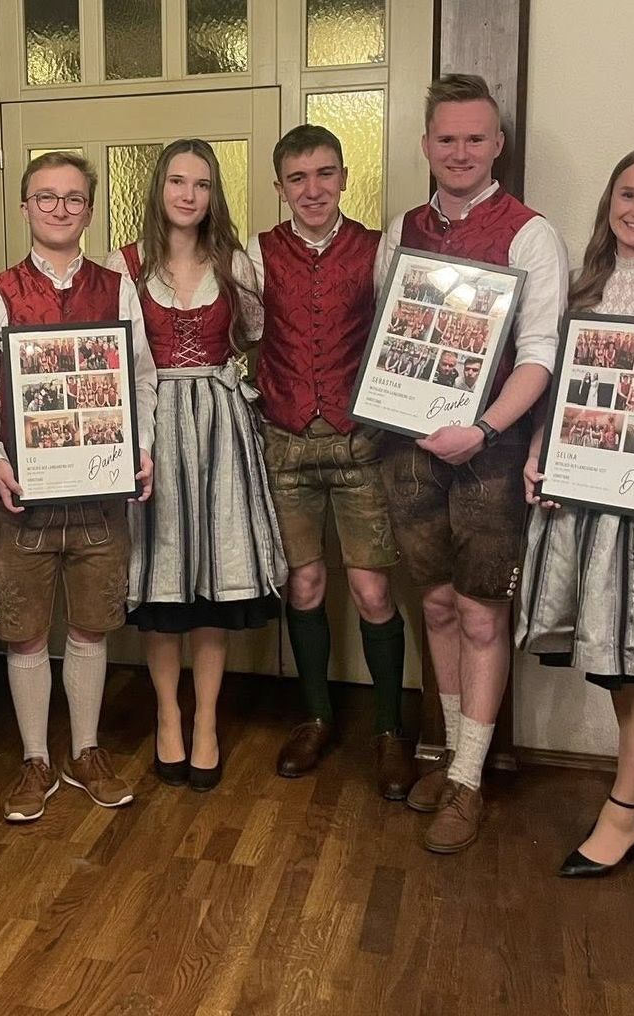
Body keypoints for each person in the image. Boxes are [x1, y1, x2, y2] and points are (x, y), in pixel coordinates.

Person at [375, 74, 568, 851]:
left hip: (489, 450)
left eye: (474, 138)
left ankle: (466, 780)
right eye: (446, 138)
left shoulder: (530, 234)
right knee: (436, 606)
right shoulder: (401, 229)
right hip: (408, 448)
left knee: (483, 612)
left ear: (497, 145)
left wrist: (482, 429)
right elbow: (388, 337)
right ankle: (452, 757)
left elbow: (541, 353)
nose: (459, 152)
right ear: (426, 144)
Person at [519, 145, 634, 876]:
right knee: (612, 657)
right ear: (609, 201)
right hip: (590, 494)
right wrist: (539, 447)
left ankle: (622, 810)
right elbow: (567, 388)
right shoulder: (587, 282)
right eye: (628, 194)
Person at [0, 151, 157, 822]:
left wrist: (141, 448)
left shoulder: (118, 288)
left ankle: (84, 751)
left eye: (73, 198)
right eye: (45, 197)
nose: (59, 209)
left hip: (100, 495)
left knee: (90, 627)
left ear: (89, 210)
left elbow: (141, 380)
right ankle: (34, 760)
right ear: (25, 207)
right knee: (23, 634)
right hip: (22, 496)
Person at [105, 139, 286, 792]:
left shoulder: (235, 263)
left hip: (218, 427)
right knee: (163, 580)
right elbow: (111, 356)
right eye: (178, 181)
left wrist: (238, 392)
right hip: (153, 427)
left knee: (212, 578)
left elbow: (258, 341)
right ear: (159, 189)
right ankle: (167, 715)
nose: (188, 195)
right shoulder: (124, 265)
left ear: (214, 195)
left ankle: (206, 719)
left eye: (201, 184)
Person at [247, 124, 414, 799]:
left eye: (323, 174)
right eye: (297, 178)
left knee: (373, 592)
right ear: (279, 187)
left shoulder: (379, 250)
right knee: (305, 586)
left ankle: (390, 730)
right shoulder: (256, 255)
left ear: (343, 177)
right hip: (285, 443)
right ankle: (316, 716)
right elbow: (233, 325)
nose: (311, 189)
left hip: (359, 445)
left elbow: (407, 330)